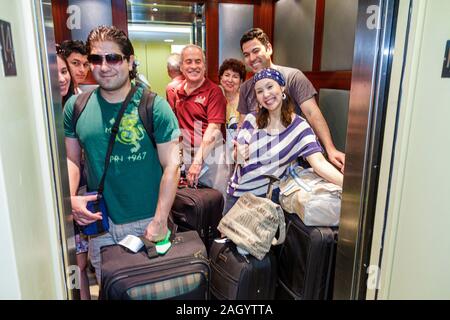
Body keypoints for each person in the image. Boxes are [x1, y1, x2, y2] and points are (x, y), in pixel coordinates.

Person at [63, 25, 180, 283]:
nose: (104, 66)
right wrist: (70, 197)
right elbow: (72, 159)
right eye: (96, 59)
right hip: (100, 223)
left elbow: (172, 166)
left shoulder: (154, 106)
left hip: (148, 220)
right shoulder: (77, 106)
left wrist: (160, 221)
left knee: (151, 290)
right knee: (112, 289)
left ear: (129, 61)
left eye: (113, 58)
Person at [225, 68, 343, 214]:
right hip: (236, 194)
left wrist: (350, 188)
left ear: (282, 88)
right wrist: (239, 154)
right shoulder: (251, 120)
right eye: (260, 91)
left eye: (270, 87)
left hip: (265, 199)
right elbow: (238, 159)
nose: (266, 94)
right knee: (226, 236)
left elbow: (319, 163)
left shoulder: (299, 127)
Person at [238, 28, 345, 173]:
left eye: (256, 51)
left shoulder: (293, 77)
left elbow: (312, 113)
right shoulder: (245, 87)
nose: (251, 58)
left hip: (293, 160)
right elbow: (243, 125)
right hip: (260, 162)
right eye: (246, 55)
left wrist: (330, 149)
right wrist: (238, 149)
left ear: (269, 48)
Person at [174, 44, 229, 201]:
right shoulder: (174, 92)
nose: (193, 66)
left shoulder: (214, 91)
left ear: (204, 66)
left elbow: (214, 129)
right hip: (186, 156)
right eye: (188, 62)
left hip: (212, 156)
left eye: (198, 62)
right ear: (181, 67)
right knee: (192, 204)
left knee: (216, 202)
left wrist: (197, 162)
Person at [57, 46, 91, 300]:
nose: (64, 76)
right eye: (73, 64)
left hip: (77, 191)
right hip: (58, 195)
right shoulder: (43, 109)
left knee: (78, 263)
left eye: (63, 71)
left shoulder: (79, 101)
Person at [218, 58, 246, 129]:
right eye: (227, 75)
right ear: (221, 78)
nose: (230, 80)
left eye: (235, 77)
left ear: (241, 81)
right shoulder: (214, 98)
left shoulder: (245, 101)